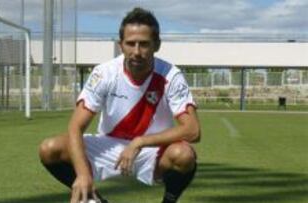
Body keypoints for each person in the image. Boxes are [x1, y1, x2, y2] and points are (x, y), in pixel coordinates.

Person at [39, 7, 201, 203]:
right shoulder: (104, 73)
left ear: (157, 45)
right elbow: (76, 126)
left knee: (183, 155)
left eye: (144, 44)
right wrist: (82, 175)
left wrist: (139, 142)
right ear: (121, 45)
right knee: (50, 148)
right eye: (130, 44)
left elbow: (192, 131)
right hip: (108, 144)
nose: (137, 51)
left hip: (153, 149)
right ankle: (95, 198)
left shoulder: (171, 75)